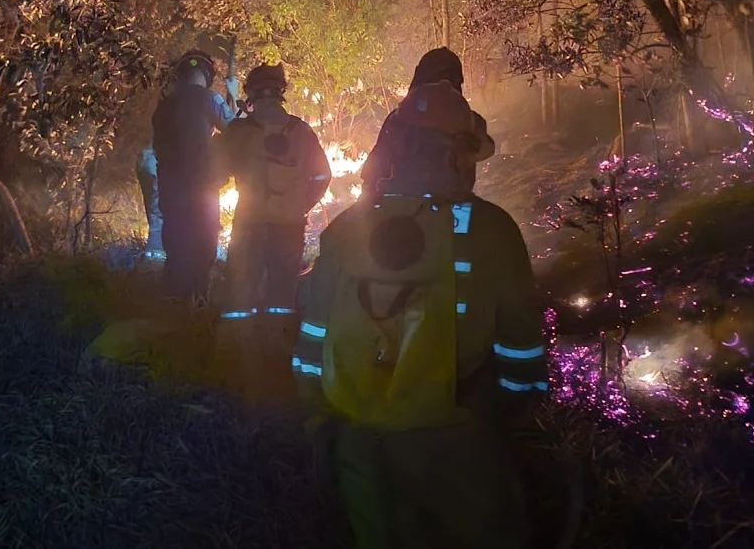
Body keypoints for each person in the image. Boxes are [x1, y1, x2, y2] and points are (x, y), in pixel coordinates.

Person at [292, 79, 547, 548]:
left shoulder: (347, 226)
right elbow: (520, 347)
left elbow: (313, 333)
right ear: (460, 155)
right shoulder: (493, 230)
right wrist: (516, 421)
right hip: (453, 437)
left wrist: (319, 419)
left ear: (396, 148)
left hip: (358, 435)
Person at [218, 62, 330, 401]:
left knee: (240, 294)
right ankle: (280, 367)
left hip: (249, 224)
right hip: (290, 227)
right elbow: (323, 177)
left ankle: (237, 369)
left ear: (251, 94)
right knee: (282, 295)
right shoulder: (302, 131)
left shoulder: (239, 131)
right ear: (281, 92)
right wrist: (300, 205)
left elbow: (215, 174)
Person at [137, 51, 239, 262]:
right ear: (207, 75)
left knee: (173, 247)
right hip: (201, 183)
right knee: (203, 250)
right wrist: (234, 95)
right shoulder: (210, 98)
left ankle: (161, 270)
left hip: (168, 182)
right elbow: (238, 132)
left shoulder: (166, 104)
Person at [361, 47, 495, 196]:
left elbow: (372, 174)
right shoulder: (466, 120)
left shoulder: (401, 118)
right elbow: (373, 173)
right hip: (411, 203)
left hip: (431, 203)